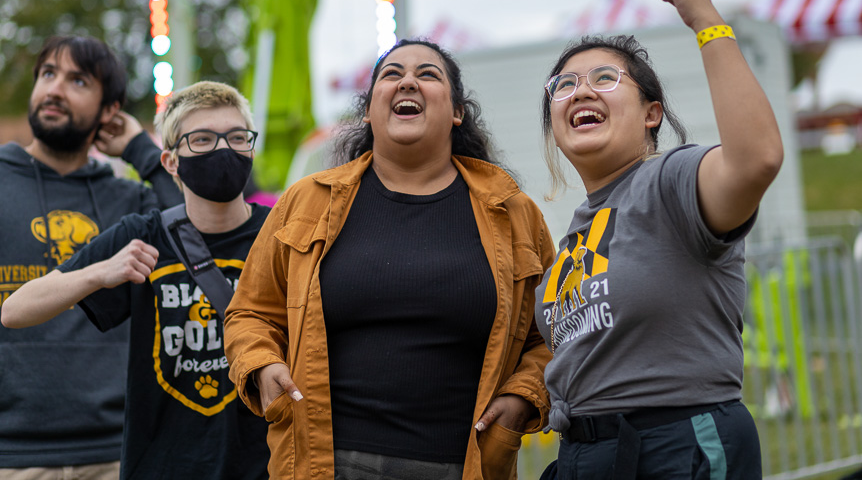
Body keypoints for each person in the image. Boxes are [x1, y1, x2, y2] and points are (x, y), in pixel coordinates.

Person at [223, 38, 555, 480]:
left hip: (464, 465)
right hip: (328, 464)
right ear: (368, 110)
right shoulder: (306, 200)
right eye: (392, 74)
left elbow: (554, 334)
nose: (408, 83)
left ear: (457, 111)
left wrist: (521, 399)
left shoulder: (514, 213)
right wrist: (262, 365)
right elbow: (249, 312)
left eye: (428, 74)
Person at [534, 0, 783, 479]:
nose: (581, 91)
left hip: (676, 446)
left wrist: (707, 23)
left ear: (652, 114)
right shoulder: (576, 236)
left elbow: (756, 159)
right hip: (585, 454)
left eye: (605, 78)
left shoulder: (671, 182)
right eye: (564, 85)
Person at [1, 81, 271, 480]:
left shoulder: (282, 236)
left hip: (263, 467)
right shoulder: (143, 234)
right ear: (171, 161)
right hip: (162, 468)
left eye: (236, 137)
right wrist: (100, 272)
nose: (222, 149)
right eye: (201, 139)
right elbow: (14, 310)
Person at [0, 35, 182, 479]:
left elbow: (195, 228)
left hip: (117, 450)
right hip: (11, 455)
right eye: (48, 74)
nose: (55, 89)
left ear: (109, 112)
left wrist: (142, 149)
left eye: (77, 80)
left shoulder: (131, 201)